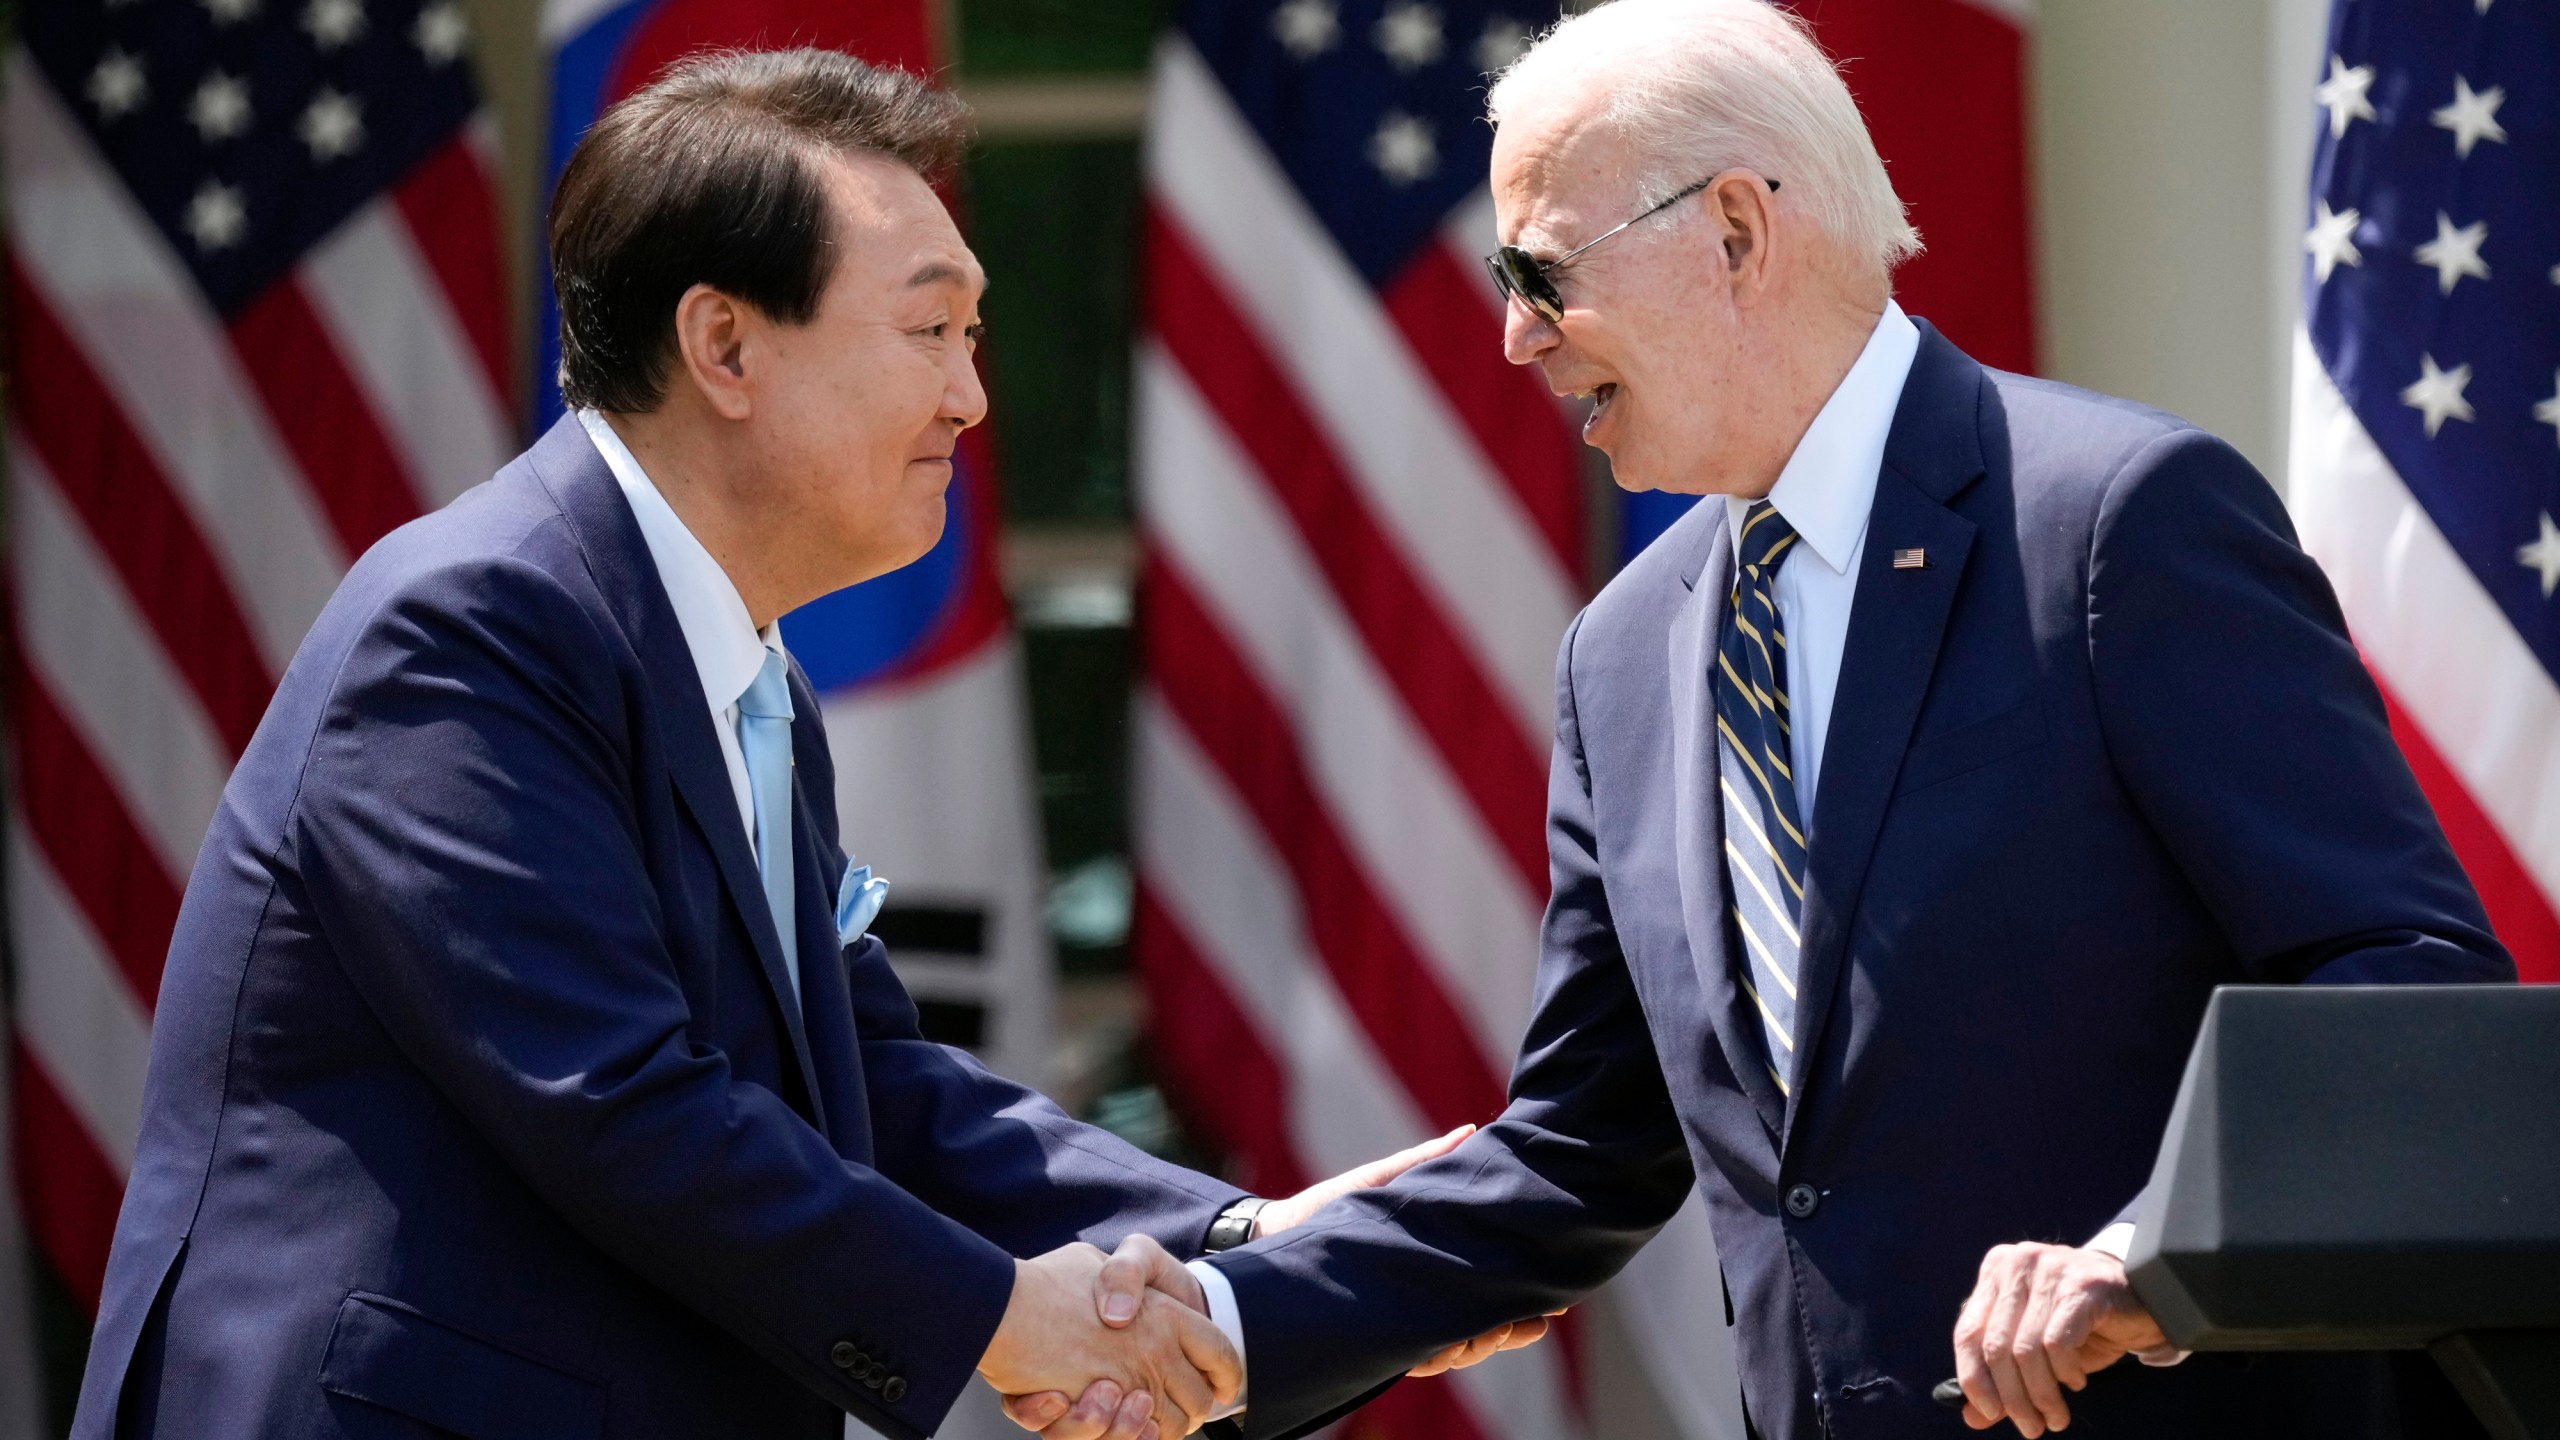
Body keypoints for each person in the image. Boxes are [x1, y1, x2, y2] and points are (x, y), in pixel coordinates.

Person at [1024, 3, 2513, 1438]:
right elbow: (1577, 1155)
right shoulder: (1623, 654)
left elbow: (2403, 977)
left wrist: (2148, 1257)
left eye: (1540, 277)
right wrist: (1226, 1329)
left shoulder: (2115, 525)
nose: (1515, 343)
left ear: (1735, 230)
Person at [70, 49, 1512, 1440]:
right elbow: (621, 1104)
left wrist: (1236, 1238)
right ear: (725, 344)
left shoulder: (740, 673)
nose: (972, 396)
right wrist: (1020, 1318)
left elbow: (866, 1087)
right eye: (928, 328)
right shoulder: (473, 624)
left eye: (975, 335)